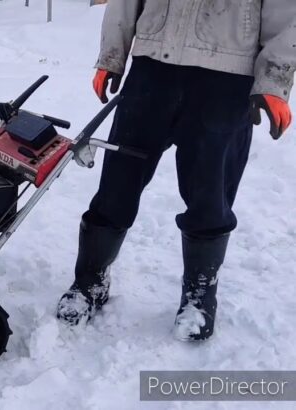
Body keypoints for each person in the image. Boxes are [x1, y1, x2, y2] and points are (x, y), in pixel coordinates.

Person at [56, 0, 295, 341]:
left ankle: (199, 297)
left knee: (209, 194)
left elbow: (286, 12)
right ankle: (89, 280)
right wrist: (112, 55)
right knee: (117, 185)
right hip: (152, 70)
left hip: (225, 81)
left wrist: (274, 81)